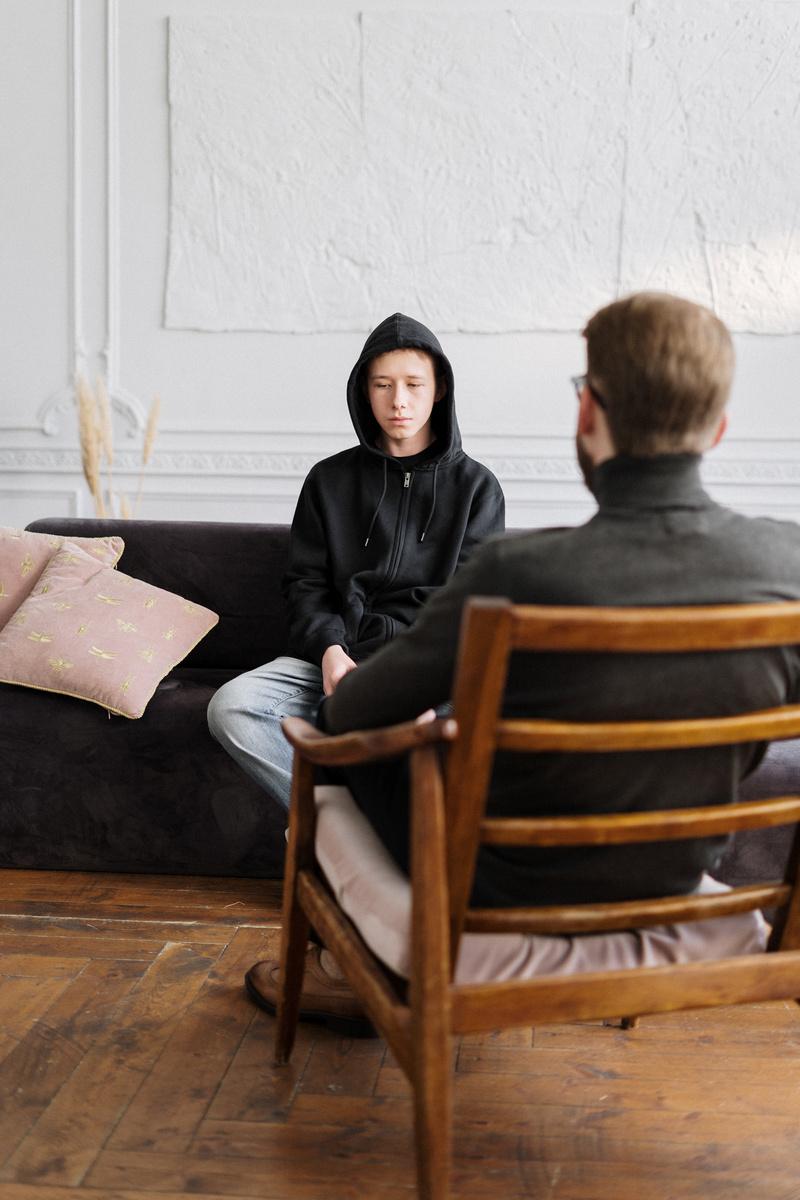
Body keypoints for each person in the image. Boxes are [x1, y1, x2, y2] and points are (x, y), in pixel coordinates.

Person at [245, 291, 800, 1033]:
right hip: (667, 873)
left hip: (497, 881)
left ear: (588, 414)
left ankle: (345, 965)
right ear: (720, 429)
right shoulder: (788, 566)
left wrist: (354, 703)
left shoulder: (519, 572)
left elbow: (347, 714)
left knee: (338, 753)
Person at [208, 311, 504, 811]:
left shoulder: (477, 488)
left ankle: (345, 828)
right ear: (364, 391)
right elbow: (306, 585)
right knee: (231, 706)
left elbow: (469, 602)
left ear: (440, 388)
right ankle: (340, 818)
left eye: (414, 384)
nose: (399, 401)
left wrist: (408, 675)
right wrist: (329, 650)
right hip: (335, 657)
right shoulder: (328, 480)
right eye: (383, 385)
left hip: (428, 668)